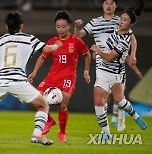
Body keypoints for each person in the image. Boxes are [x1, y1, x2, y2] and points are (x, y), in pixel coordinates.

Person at [0, 11, 62, 145]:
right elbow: (48, 49)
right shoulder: (29, 38)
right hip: (17, 81)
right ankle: (37, 134)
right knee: (43, 105)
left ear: (6, 27)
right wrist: (57, 45)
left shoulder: (0, 40)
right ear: (22, 26)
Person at [74, 0, 139, 132]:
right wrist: (76, 27)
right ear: (102, 6)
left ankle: (121, 119)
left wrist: (133, 54)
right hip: (101, 65)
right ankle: (107, 130)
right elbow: (78, 36)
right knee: (101, 100)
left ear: (115, 6)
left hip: (116, 64)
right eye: (106, 3)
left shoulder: (121, 21)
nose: (109, 6)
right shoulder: (94, 22)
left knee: (117, 98)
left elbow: (132, 38)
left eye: (111, 3)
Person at [28, 10, 91, 142]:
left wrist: (86, 71)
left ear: (69, 26)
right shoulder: (53, 41)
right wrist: (34, 72)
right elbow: (42, 57)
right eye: (58, 27)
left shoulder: (76, 41)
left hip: (68, 77)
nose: (60, 29)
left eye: (63, 26)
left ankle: (62, 133)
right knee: (35, 99)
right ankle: (50, 120)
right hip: (52, 76)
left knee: (63, 105)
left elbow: (87, 55)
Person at [90, 0, 147, 139]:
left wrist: (97, 50)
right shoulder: (119, 28)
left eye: (125, 20)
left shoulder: (124, 40)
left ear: (131, 24)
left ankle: (135, 115)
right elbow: (134, 39)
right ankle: (106, 133)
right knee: (98, 102)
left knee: (119, 101)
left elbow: (110, 57)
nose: (121, 21)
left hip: (116, 73)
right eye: (121, 18)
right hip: (102, 70)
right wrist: (133, 54)